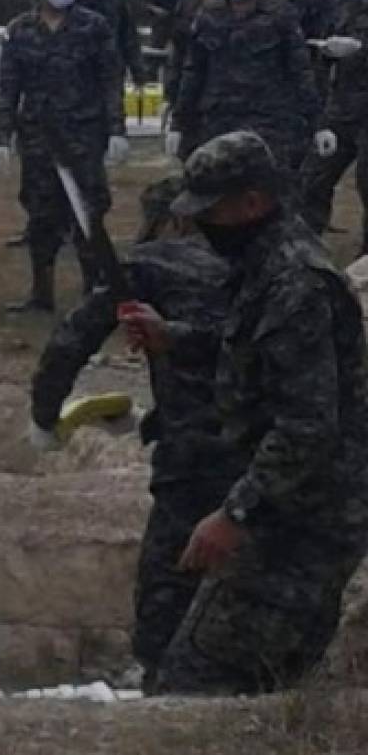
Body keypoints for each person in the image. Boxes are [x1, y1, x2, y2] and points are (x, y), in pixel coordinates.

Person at [127, 130, 368, 695]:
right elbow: (253, 353)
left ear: (252, 203)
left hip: (310, 519)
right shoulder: (265, 265)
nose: (199, 226)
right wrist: (176, 338)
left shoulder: (296, 283)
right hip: (284, 507)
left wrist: (234, 515)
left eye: (211, 211)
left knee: (202, 681)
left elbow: (306, 427)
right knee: (236, 677)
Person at [28, 176, 238, 692]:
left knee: (169, 577)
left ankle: (164, 684)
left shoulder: (148, 265)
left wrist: (43, 415)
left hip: (196, 451)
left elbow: (71, 341)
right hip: (270, 444)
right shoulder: (253, 263)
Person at [0, 0, 128, 314]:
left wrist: (117, 128)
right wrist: (2, 136)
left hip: (83, 136)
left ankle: (95, 290)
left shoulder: (93, 27)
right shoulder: (20, 31)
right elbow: (9, 89)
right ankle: (41, 293)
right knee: (41, 216)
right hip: (38, 138)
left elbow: (110, 80)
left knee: (88, 213)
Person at [167, 0, 322, 172]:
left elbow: (300, 72)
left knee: (274, 194)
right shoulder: (207, 17)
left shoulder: (281, 16)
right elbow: (193, 73)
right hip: (218, 122)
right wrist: (178, 124)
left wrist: (318, 124)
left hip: (270, 124)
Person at [301, 0, 368, 252]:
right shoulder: (344, 1)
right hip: (341, 106)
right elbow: (324, 47)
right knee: (313, 177)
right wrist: (329, 49)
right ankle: (306, 249)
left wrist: (363, 48)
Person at [163, 0, 227, 110]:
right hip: (191, 93)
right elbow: (177, 51)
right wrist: (170, 95)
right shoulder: (187, 1)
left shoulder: (239, 0)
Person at [91, 0, 148, 84]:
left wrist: (138, 72)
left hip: (113, 68)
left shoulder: (119, 5)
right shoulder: (83, 5)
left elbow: (129, 39)